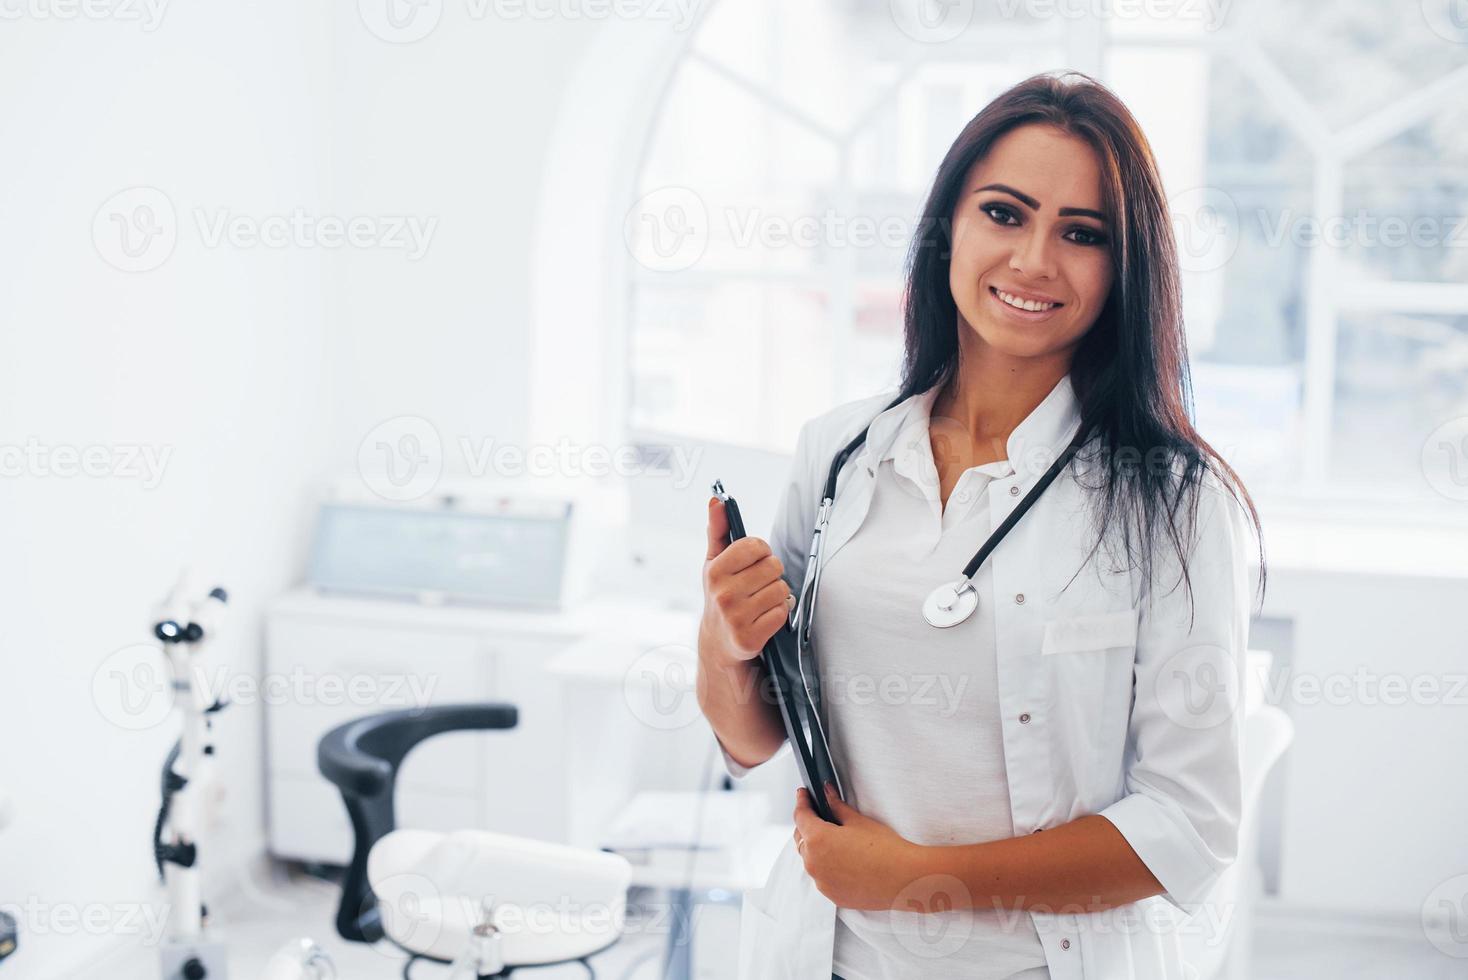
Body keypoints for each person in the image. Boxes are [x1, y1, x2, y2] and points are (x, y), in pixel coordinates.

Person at [696, 70, 1266, 980]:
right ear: (947, 229)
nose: (1034, 261)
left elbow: (1188, 825)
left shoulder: (1178, 503)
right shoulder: (837, 452)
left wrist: (924, 880)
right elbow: (754, 738)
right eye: (1005, 214)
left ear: (1127, 267)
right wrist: (723, 643)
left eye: (1083, 234)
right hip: (829, 955)